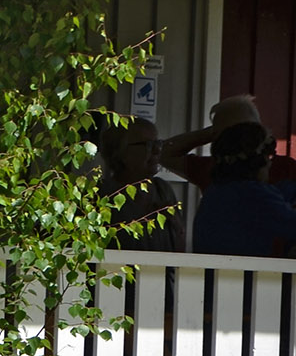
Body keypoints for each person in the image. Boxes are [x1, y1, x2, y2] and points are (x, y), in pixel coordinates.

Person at [192, 122, 296, 257]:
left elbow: (281, 194)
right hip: (239, 276)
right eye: (268, 156)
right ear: (257, 161)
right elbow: (290, 223)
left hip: (213, 275)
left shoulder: (216, 191)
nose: (270, 163)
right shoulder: (255, 195)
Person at [161, 94, 296, 190]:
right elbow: (164, 153)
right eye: (227, 134)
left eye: (244, 131)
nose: (236, 139)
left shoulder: (288, 170)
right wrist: (209, 133)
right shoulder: (213, 169)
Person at [101, 118, 183, 253]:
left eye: (158, 143)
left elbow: (179, 249)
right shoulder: (103, 195)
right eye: (148, 145)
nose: (157, 150)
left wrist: (177, 227)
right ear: (121, 151)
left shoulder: (162, 190)